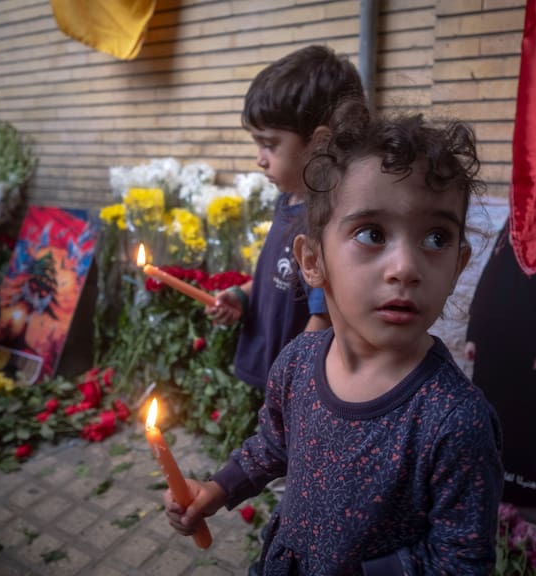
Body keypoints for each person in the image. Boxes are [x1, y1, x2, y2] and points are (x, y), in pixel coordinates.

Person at [163, 101, 504, 575]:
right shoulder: (299, 362)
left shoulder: (454, 423)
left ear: (458, 266)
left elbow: (461, 563)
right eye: (371, 233)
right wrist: (217, 489)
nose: (406, 267)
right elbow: (274, 444)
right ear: (312, 261)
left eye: (435, 239)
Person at [207, 44, 365, 391]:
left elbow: (322, 315)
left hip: (294, 384)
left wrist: (290, 385)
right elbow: (281, 277)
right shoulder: (288, 201)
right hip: (271, 371)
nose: (259, 159)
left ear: (320, 142)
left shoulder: (328, 223)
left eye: (269, 144)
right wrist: (243, 296)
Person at [465, 220, 536, 507]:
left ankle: (519, 488)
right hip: (493, 358)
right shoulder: (499, 259)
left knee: (521, 425)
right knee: (487, 419)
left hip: (528, 364)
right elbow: (483, 298)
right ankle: (477, 482)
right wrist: (473, 337)